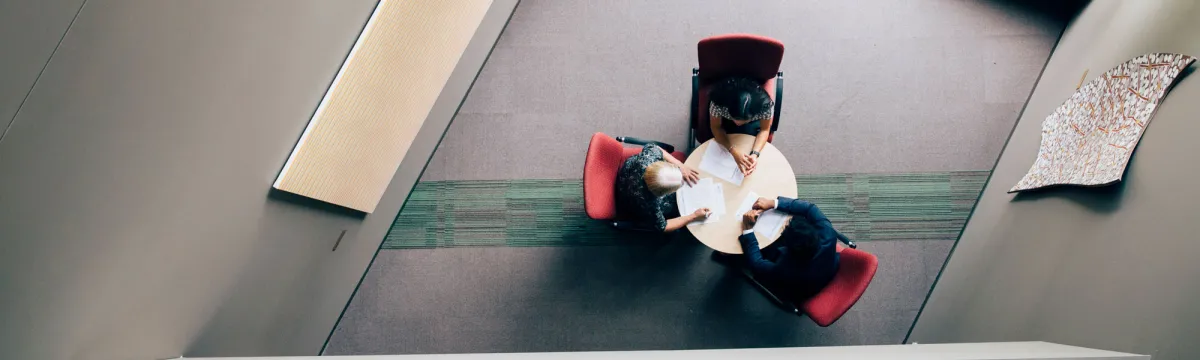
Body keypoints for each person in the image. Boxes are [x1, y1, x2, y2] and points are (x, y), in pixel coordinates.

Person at [736, 196, 843, 301]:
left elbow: (757, 264)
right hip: (829, 266)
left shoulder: (786, 269)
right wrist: (773, 203)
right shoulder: (829, 234)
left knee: (733, 256)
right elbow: (810, 208)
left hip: (803, 287)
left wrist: (747, 229)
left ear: (787, 249)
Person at [615, 144, 710, 233]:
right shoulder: (651, 205)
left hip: (627, 174)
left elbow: (656, 148)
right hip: (629, 200)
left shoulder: (648, 158)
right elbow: (663, 226)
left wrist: (680, 165)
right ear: (661, 194)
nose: (682, 182)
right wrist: (693, 216)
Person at [707, 76, 775, 176]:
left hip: (751, 123)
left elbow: (765, 130)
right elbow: (716, 127)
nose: (738, 124)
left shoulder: (764, 106)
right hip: (726, 122)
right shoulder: (719, 103)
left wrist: (755, 154)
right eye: (735, 118)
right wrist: (732, 150)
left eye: (743, 120)